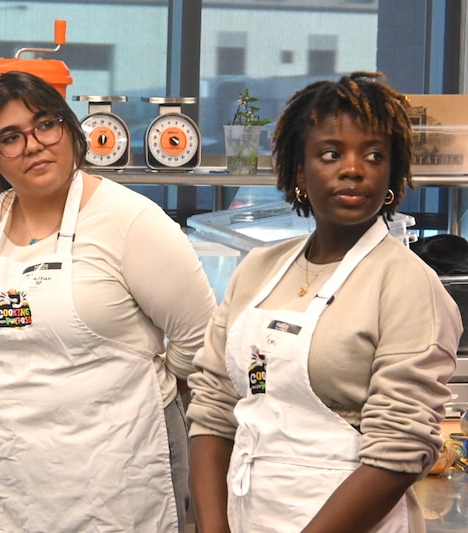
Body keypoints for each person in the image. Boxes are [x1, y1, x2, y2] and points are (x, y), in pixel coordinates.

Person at [186, 71, 462, 533]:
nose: (353, 168)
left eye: (374, 155)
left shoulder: (407, 284)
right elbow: (213, 409)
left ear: (392, 174)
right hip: (248, 517)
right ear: (299, 170)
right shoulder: (257, 270)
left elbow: (398, 450)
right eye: (331, 154)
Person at [0, 71, 217, 532]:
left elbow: (201, 342)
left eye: (45, 125)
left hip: (116, 478)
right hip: (8, 475)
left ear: (70, 129)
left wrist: (134, 390)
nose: (32, 145)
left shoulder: (131, 221)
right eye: (10, 137)